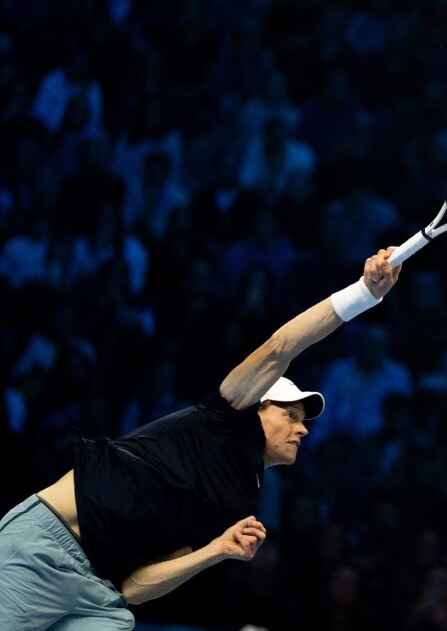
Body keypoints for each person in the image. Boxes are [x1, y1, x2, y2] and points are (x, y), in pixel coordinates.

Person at [0, 248, 402, 630]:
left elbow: (135, 587)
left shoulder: (239, 499)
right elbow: (282, 347)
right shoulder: (221, 417)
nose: (303, 428)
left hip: (99, 594)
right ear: (255, 406)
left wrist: (216, 551)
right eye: (290, 414)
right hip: (46, 548)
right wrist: (363, 295)